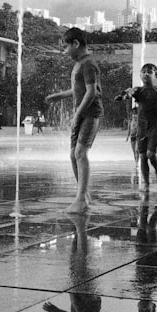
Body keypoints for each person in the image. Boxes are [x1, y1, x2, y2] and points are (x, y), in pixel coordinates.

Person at [45, 27, 103, 213]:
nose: (65, 52)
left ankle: (81, 198)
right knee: (73, 155)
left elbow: (92, 92)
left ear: (76, 44)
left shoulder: (88, 64)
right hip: (81, 114)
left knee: (80, 154)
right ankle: (83, 194)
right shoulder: (79, 64)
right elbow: (79, 90)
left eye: (65, 47)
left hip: (90, 114)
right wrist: (60, 95)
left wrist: (77, 114)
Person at [116, 63, 157, 188]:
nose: (146, 74)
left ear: (156, 75)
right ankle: (146, 184)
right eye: (143, 72)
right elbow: (129, 93)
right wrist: (124, 95)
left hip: (154, 126)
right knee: (143, 155)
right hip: (141, 126)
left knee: (151, 154)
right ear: (140, 75)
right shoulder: (138, 90)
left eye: (149, 72)